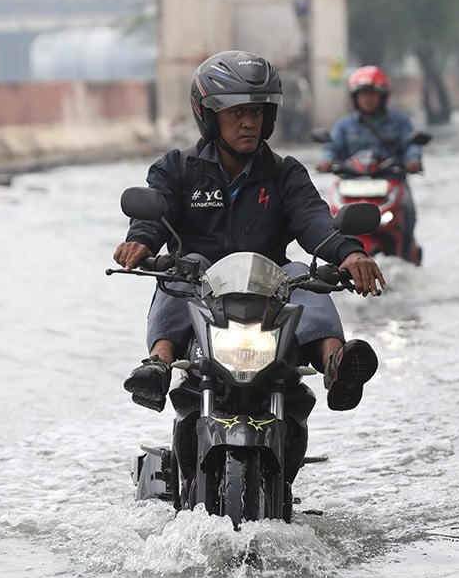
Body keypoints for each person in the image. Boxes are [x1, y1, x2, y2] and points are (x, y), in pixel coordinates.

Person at [114, 49, 386, 416]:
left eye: (256, 112)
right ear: (210, 117)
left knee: (301, 274)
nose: (248, 123)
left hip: (271, 289)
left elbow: (314, 219)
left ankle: (337, 364)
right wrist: (141, 242)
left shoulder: (285, 173)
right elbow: (154, 216)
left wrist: (350, 253)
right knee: (182, 266)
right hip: (203, 289)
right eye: (237, 112)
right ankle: (158, 365)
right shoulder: (177, 169)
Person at [316, 65, 422, 260]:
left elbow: (412, 145)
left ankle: (406, 253)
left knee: (408, 209)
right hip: (351, 184)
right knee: (330, 217)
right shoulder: (344, 125)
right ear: (355, 97)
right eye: (363, 93)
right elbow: (332, 147)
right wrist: (327, 161)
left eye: (373, 93)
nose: (368, 98)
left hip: (390, 182)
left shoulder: (400, 122)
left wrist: (413, 160)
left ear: (383, 96)